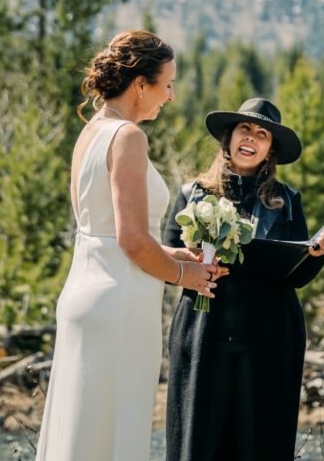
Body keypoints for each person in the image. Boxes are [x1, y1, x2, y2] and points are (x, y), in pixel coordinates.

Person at [35, 30, 223, 461]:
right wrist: (184, 275)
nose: (171, 96)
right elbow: (133, 242)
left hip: (86, 294)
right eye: (168, 84)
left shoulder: (91, 132)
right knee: (114, 434)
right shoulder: (128, 137)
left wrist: (175, 254)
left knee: (83, 432)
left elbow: (104, 233)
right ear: (141, 84)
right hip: (119, 304)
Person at [164, 97, 324, 461]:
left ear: (270, 150)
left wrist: (317, 255)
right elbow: (165, 262)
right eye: (245, 129)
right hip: (202, 334)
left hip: (268, 338)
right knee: (199, 443)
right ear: (229, 138)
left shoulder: (288, 201)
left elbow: (297, 274)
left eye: (262, 134)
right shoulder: (191, 194)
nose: (251, 138)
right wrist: (192, 263)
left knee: (259, 444)